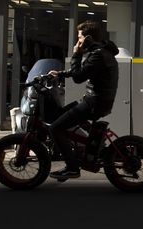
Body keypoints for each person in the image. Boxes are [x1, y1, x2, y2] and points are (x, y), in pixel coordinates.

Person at [48, 20, 119, 179]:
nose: (77, 42)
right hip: (95, 100)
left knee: (55, 128)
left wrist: (77, 53)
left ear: (87, 38)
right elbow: (84, 70)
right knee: (61, 114)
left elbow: (79, 77)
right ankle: (85, 148)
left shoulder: (98, 55)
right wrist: (60, 74)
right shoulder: (101, 52)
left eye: (79, 38)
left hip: (94, 102)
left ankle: (72, 167)